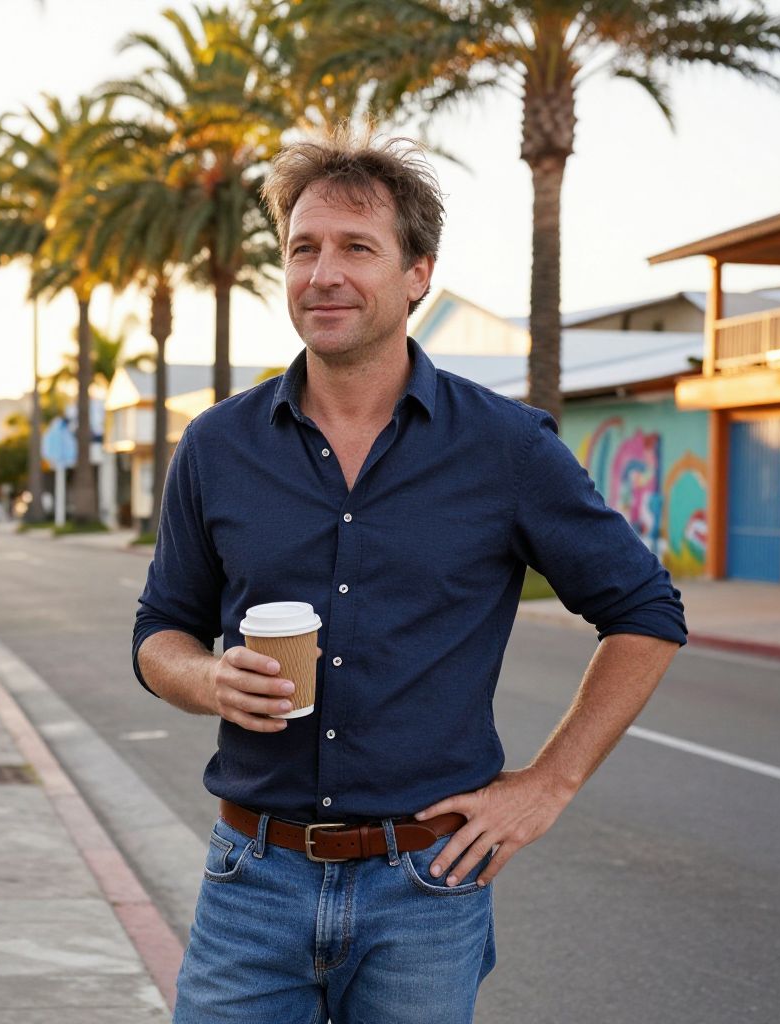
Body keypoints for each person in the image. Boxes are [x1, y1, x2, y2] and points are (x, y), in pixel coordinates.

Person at [132, 130, 686, 1024]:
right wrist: (206, 678)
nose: (323, 275)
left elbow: (645, 610)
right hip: (251, 882)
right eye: (303, 249)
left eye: (357, 248)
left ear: (418, 273)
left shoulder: (505, 448)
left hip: (427, 888)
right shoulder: (216, 446)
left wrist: (549, 782)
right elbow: (160, 629)